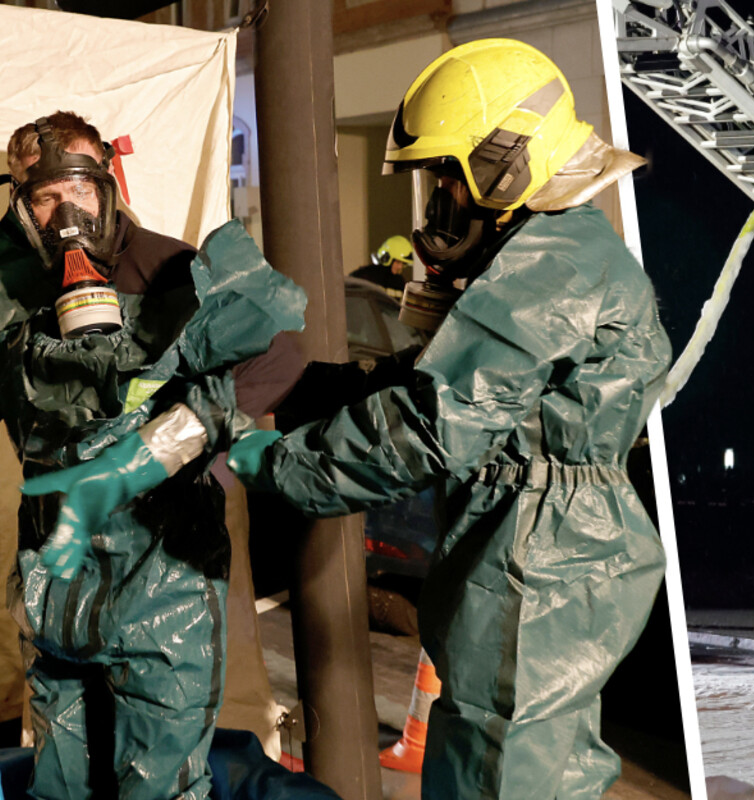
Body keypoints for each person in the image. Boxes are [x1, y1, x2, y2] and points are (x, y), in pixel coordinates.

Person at [225, 39, 667, 800]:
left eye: (446, 178)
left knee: (507, 775)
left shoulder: (554, 260)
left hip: (543, 559)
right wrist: (320, 389)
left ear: (504, 164)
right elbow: (452, 379)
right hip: (536, 543)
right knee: (500, 760)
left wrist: (275, 463)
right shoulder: (550, 249)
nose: (440, 203)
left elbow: (437, 420)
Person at [5, 111, 303, 798]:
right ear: (22, 206)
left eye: (76, 186)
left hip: (162, 572)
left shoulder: (172, 268)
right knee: (60, 780)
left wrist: (179, 439)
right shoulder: (18, 289)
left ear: (107, 183)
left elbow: (280, 354)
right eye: (43, 196)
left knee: (157, 784)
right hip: (60, 577)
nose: (65, 211)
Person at [349, 234, 413, 299]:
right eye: (398, 262)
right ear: (386, 258)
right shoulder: (364, 275)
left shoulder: (400, 283)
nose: (400, 267)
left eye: (403, 263)